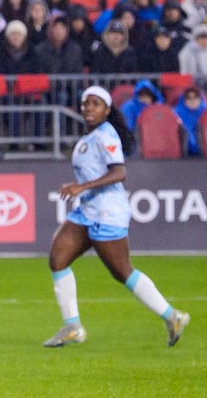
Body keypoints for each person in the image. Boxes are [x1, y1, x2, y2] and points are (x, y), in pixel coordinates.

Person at [44, 87, 191, 349]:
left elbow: (119, 172)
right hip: (88, 211)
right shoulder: (92, 137)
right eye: (86, 103)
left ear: (107, 110)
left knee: (122, 271)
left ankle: (173, 316)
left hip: (107, 212)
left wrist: (81, 187)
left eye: (96, 103)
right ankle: (73, 326)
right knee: (58, 258)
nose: (89, 107)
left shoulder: (107, 135)